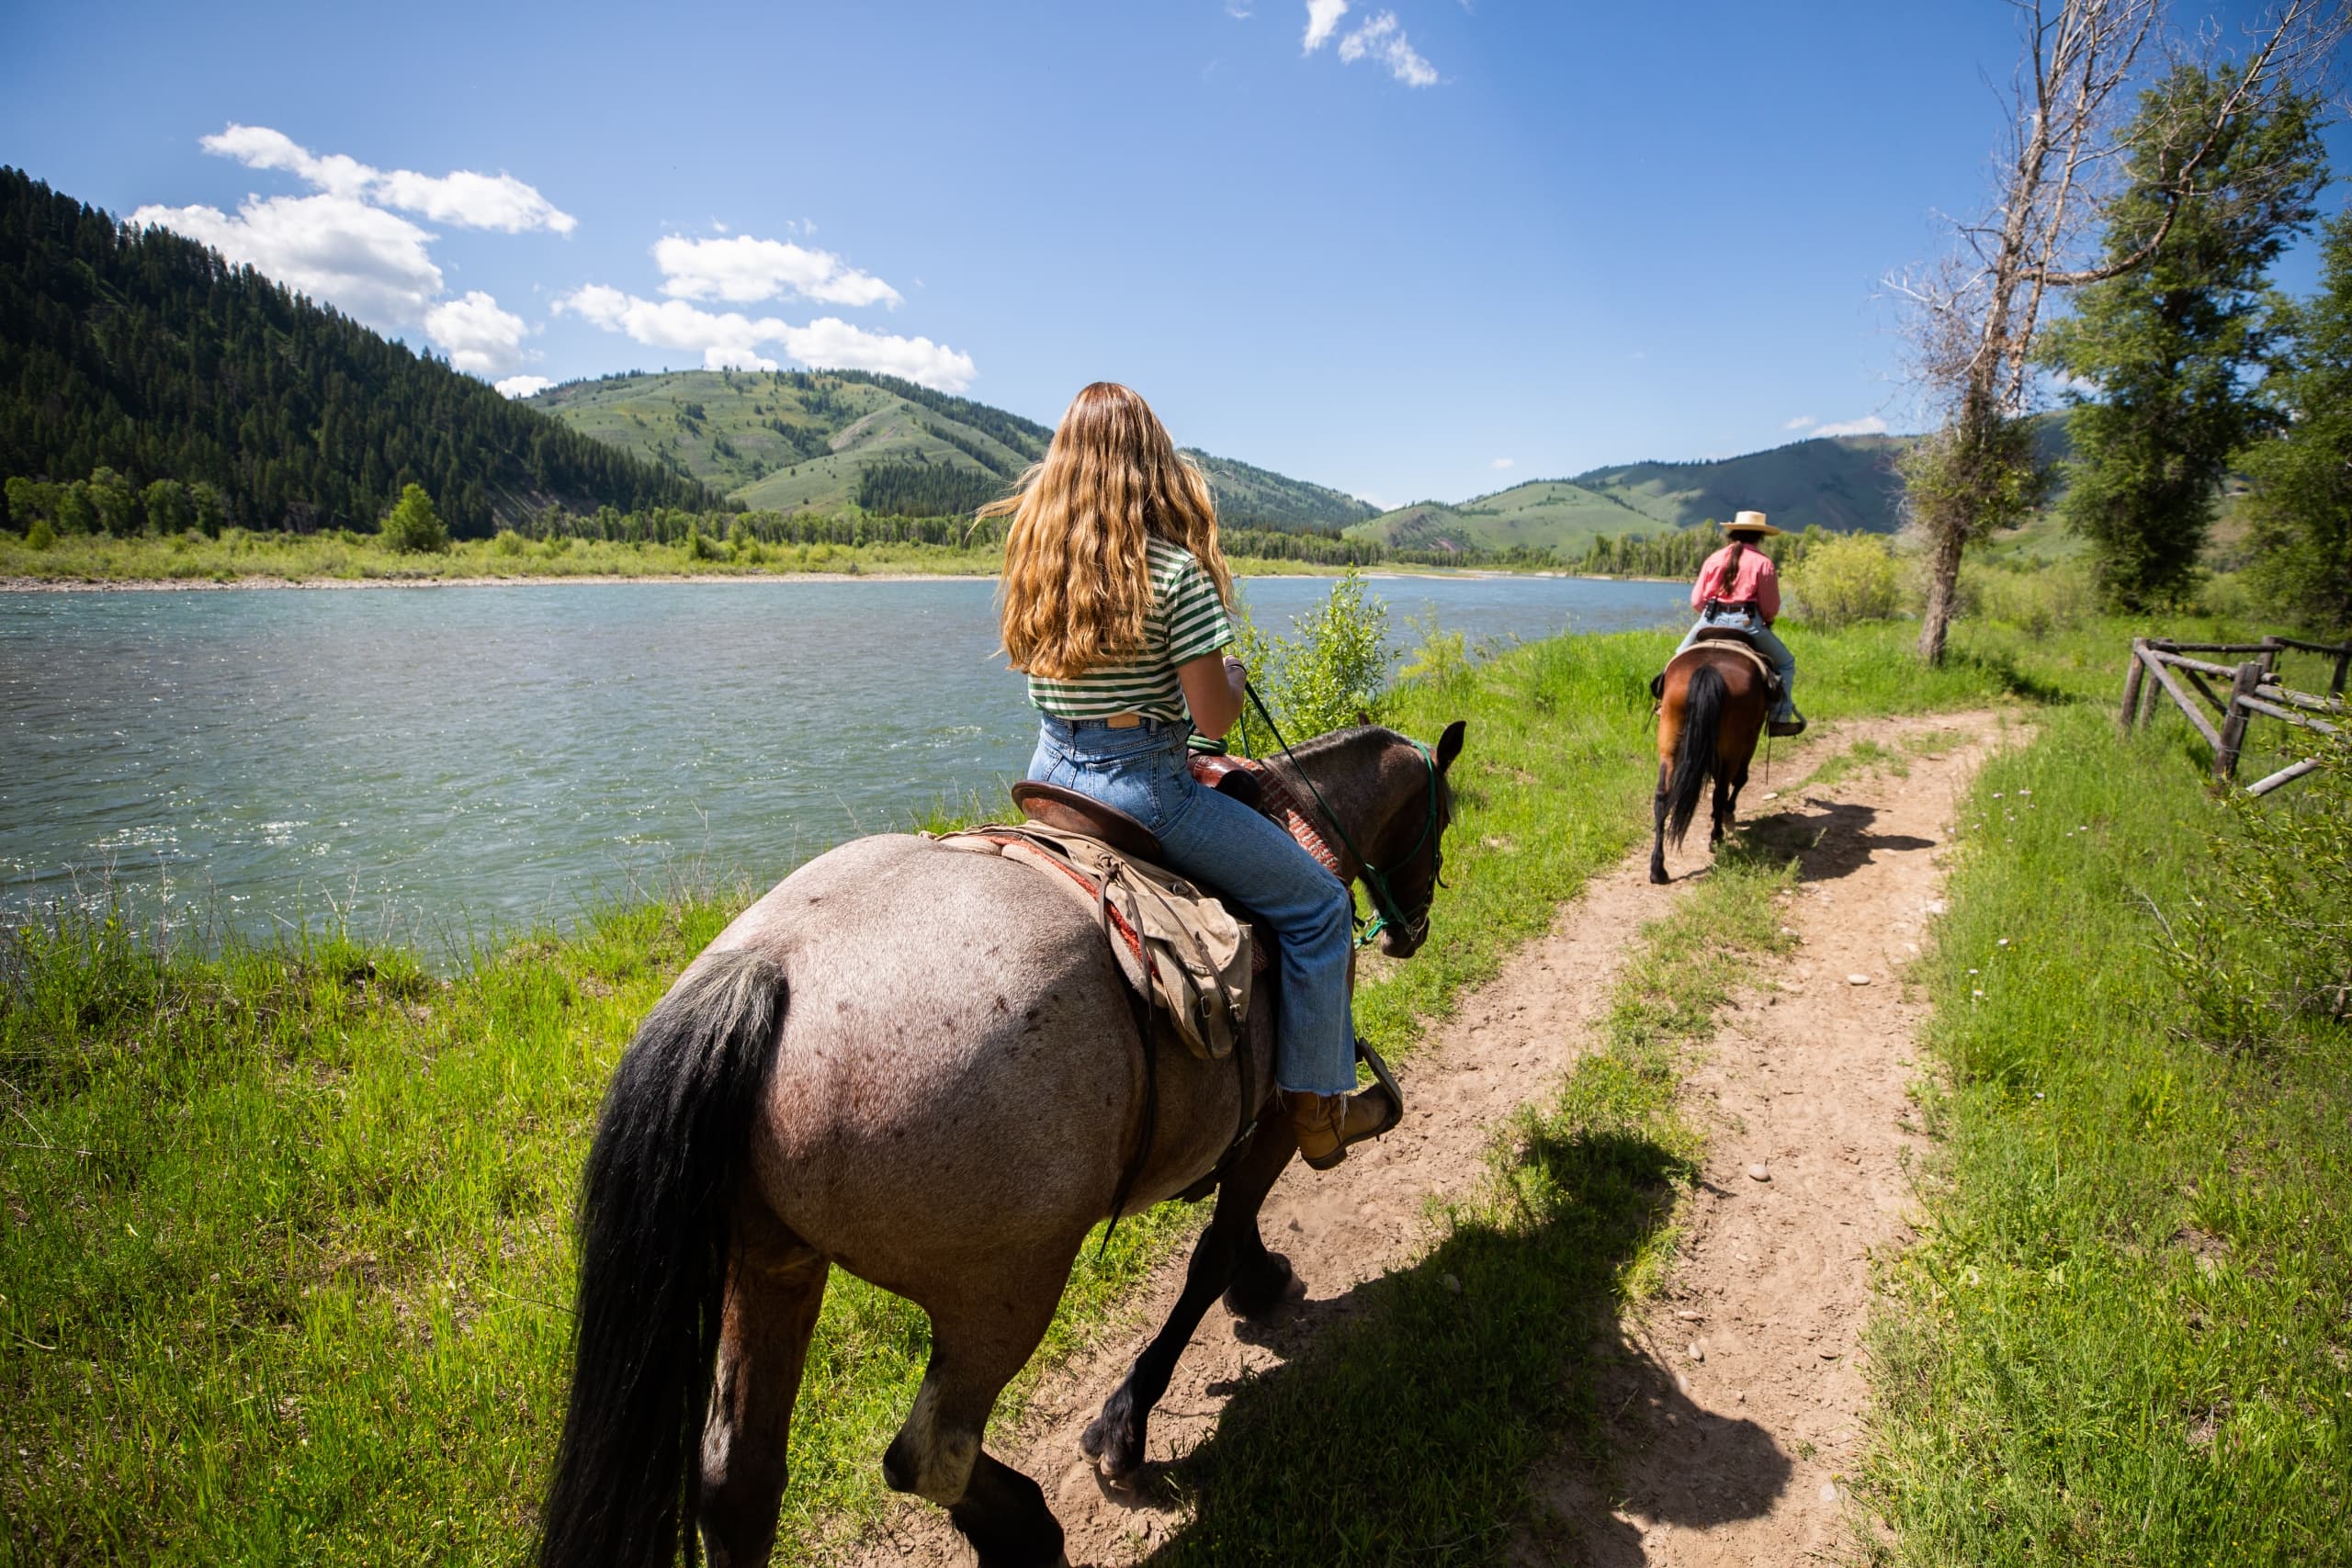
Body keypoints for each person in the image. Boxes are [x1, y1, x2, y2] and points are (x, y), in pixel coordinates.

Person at [986, 381, 1395, 1169]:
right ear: (1152, 464)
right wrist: (1231, 676)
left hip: (1049, 772)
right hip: (1145, 791)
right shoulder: (1173, 574)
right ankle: (1317, 1112)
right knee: (1320, 905)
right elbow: (1213, 720)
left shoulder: (1038, 561)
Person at [1677, 509, 1804, 737]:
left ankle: (1663, 705)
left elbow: (1697, 601)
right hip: (1747, 624)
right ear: (1760, 536)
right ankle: (1779, 717)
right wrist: (1766, 620)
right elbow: (1770, 608)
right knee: (1786, 664)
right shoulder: (1764, 563)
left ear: (1733, 532)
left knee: (1678, 658)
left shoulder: (1714, 558)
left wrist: (1712, 614)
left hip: (1709, 620)